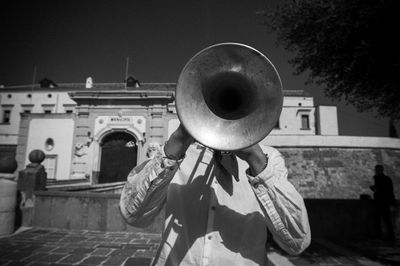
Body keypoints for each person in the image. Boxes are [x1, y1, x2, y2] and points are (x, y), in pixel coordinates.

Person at [120, 125, 311, 265]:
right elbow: (132, 215)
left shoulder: (268, 158)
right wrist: (179, 139)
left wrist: (256, 159)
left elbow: (297, 242)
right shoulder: (172, 153)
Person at [370, 164, 396, 241]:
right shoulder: (384, 179)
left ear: (381, 170)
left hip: (383, 202)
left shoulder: (383, 179)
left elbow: (386, 191)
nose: (376, 171)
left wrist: (376, 189)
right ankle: (386, 235)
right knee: (382, 219)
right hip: (381, 202)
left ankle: (386, 235)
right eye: (376, 170)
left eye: (377, 170)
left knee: (385, 219)